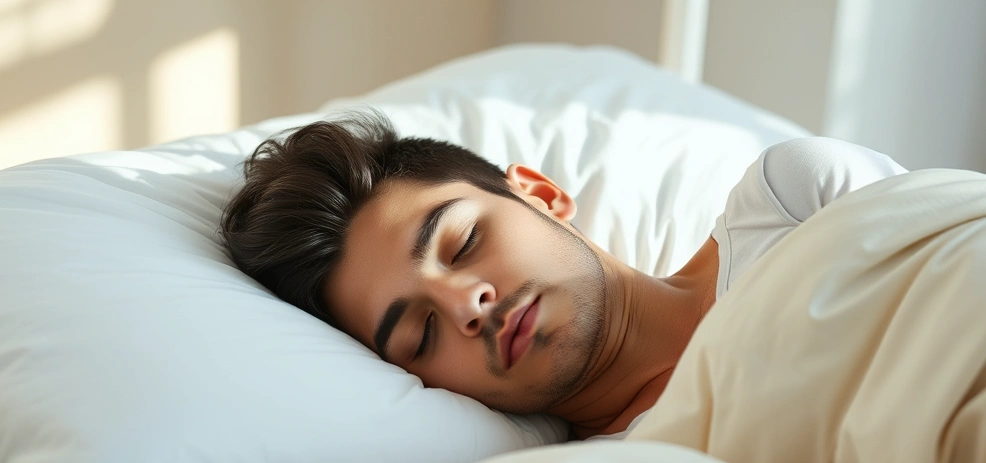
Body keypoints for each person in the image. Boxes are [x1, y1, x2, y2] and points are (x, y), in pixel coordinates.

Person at [221, 109, 906, 440]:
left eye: (461, 243)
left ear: (540, 194)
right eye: (422, 333)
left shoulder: (793, 207)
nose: (468, 306)